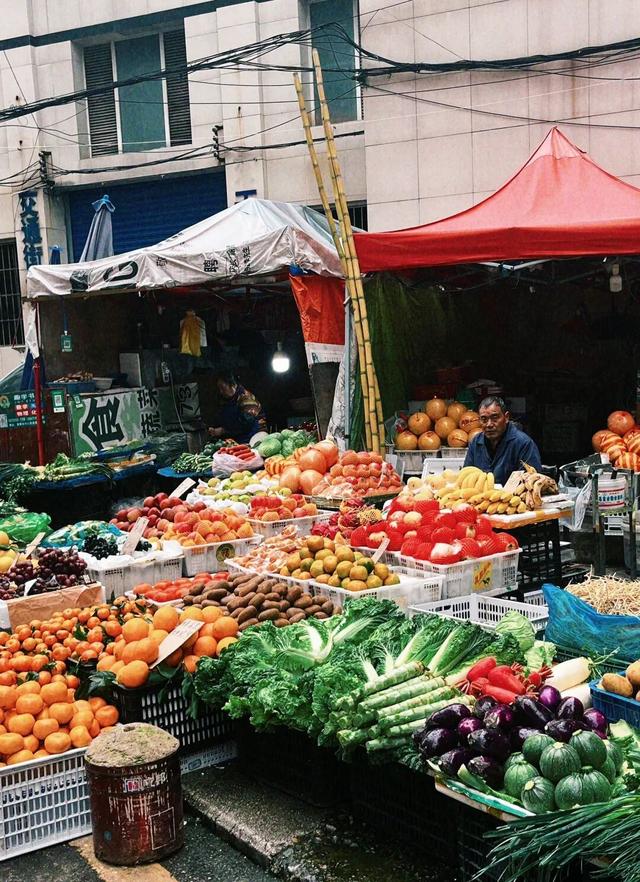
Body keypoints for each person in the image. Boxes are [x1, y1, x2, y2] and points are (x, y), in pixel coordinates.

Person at [463, 395, 541, 486]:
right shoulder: (476, 442)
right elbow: (466, 476)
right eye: (484, 419)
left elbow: (532, 481)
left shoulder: (523, 444)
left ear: (506, 417)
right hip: (481, 498)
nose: (489, 424)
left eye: (495, 418)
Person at [208, 372, 267, 444]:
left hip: (253, 438)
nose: (221, 392)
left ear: (232, 385)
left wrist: (223, 430)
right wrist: (214, 428)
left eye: (223, 388)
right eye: (219, 388)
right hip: (235, 439)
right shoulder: (225, 400)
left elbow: (246, 424)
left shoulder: (246, 398)